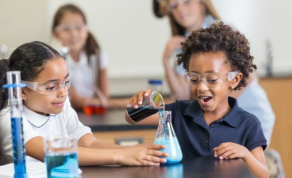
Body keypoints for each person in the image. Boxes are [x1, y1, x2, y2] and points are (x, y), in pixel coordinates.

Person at [126, 22, 269, 177]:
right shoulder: (178, 113)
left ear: (234, 80)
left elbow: (264, 174)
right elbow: (132, 118)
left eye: (212, 79)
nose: (201, 88)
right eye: (194, 79)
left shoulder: (248, 124)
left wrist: (246, 154)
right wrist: (139, 102)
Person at [0, 41, 168, 166]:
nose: (63, 92)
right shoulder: (9, 119)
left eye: (66, 82)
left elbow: (89, 143)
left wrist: (134, 151)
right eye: (51, 87)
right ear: (20, 91)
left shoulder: (60, 106)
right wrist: (119, 156)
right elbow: (50, 153)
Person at [162, 0, 275, 146]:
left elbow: (248, 76)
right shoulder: (182, 42)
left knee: (243, 164)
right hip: (218, 120)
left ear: (202, 3)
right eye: (174, 6)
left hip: (250, 112)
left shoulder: (222, 31)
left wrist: (214, 110)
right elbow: (183, 95)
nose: (180, 9)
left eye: (187, 1)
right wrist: (165, 60)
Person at [52, 4, 127, 110]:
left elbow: (103, 96)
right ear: (55, 33)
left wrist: (101, 103)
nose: (73, 34)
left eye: (78, 27)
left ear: (86, 31)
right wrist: (122, 103)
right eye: (66, 28)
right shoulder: (55, 60)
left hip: (94, 112)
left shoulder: (97, 54)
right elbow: (75, 100)